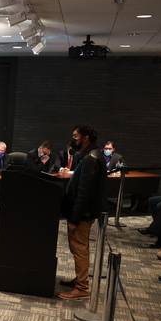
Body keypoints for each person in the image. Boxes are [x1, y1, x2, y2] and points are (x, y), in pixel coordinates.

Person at [57, 125, 106, 300]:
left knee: (79, 249)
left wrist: (75, 217)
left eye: (76, 137)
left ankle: (82, 287)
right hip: (83, 212)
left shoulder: (91, 159)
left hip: (82, 214)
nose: (73, 140)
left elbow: (85, 192)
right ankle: (80, 279)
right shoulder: (90, 155)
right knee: (78, 247)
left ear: (85, 137)